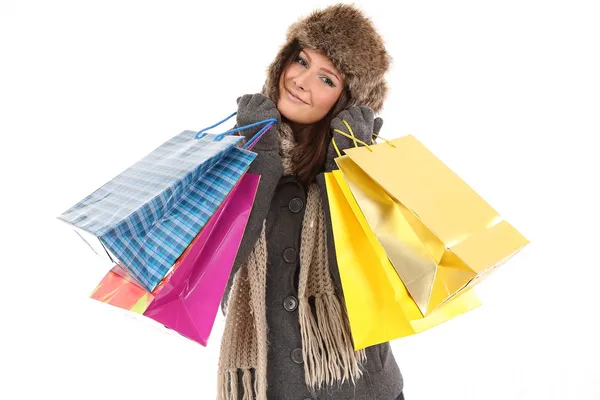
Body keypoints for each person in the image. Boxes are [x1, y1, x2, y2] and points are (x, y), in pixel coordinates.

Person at [218, 4, 404, 399]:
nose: (301, 81)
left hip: (362, 390)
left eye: (326, 78)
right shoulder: (241, 156)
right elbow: (218, 265)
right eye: (301, 60)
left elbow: (366, 286)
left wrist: (345, 166)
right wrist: (260, 158)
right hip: (274, 389)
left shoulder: (368, 167)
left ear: (347, 100)